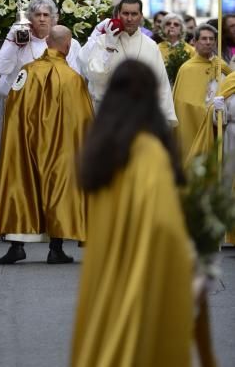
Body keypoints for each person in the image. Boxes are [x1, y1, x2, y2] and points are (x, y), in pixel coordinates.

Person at [71, 60, 192, 367]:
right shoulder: (148, 152)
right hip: (142, 271)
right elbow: (164, 224)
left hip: (103, 272)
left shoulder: (100, 155)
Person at [0, 26, 94, 264]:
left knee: (22, 183)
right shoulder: (74, 79)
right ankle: (56, 248)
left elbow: (13, 107)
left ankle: (16, 245)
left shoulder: (25, 72)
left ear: (47, 41)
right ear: (68, 46)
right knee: (58, 186)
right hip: (60, 145)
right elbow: (83, 119)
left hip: (27, 139)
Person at [0, 0, 82, 205]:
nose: (42, 20)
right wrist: (11, 40)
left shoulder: (68, 42)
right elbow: (3, 69)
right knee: (19, 164)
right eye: (37, 15)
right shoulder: (20, 38)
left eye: (46, 15)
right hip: (20, 112)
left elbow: (74, 75)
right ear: (29, 18)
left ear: (55, 18)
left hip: (53, 112)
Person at [82, 0, 177, 126]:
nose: (129, 18)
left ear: (141, 16)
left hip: (142, 117)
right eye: (125, 13)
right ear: (118, 15)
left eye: (134, 14)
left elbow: (161, 84)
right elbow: (94, 76)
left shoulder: (151, 45)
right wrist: (109, 48)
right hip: (109, 115)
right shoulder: (103, 41)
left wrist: (165, 118)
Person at [173, 23, 232, 164]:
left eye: (212, 39)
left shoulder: (221, 65)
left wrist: (226, 69)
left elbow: (230, 89)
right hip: (193, 123)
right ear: (195, 41)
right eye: (204, 39)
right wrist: (206, 110)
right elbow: (182, 103)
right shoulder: (186, 69)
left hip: (219, 124)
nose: (208, 42)